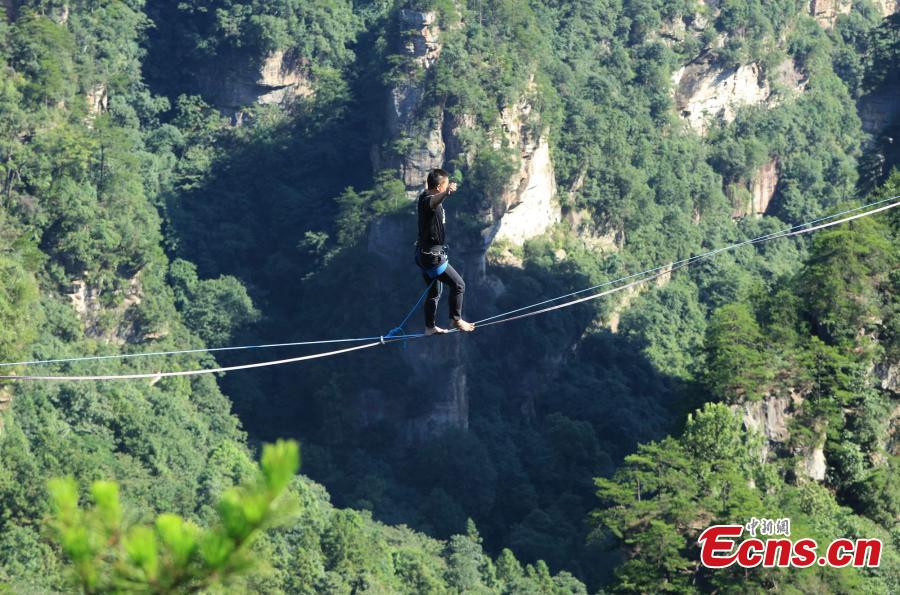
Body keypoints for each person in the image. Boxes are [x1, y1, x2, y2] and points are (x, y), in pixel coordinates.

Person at [415, 168, 476, 335]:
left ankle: (429, 327)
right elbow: (433, 201)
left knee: (434, 292)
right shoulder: (428, 202)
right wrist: (447, 193)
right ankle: (456, 319)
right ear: (440, 188)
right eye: (446, 185)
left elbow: (429, 191)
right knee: (459, 285)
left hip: (423, 255)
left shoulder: (424, 195)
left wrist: (432, 184)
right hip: (432, 258)